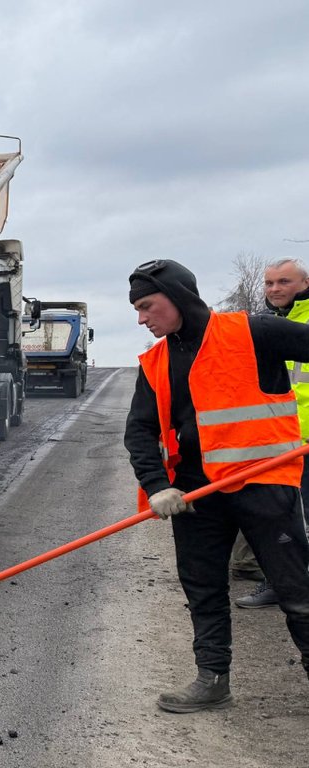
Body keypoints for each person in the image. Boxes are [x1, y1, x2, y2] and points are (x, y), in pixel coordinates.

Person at [124, 259, 309, 713]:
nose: (141, 318)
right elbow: (139, 431)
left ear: (177, 296)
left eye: (147, 306)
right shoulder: (156, 362)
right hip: (194, 498)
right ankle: (212, 679)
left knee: (296, 590)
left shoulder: (253, 331)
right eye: (137, 310)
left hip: (263, 485)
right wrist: (156, 486)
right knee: (202, 587)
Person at [235, 258, 309, 608]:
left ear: (304, 284)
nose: (275, 289)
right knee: (280, 520)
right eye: (269, 283)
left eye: (284, 282)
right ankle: (278, 584)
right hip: (277, 442)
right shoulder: (263, 325)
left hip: (304, 443)